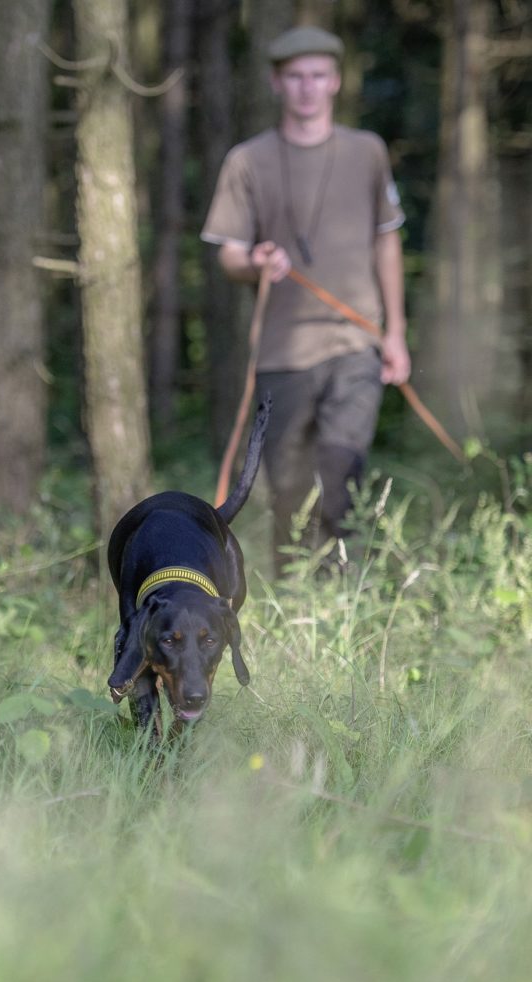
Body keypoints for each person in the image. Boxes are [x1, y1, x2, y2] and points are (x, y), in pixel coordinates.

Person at [201, 25, 411, 575]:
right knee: (288, 490)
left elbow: (387, 239)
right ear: (276, 82)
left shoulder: (367, 151)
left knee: (341, 474)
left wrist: (394, 334)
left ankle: (343, 596)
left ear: (336, 81)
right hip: (282, 353)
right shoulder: (247, 160)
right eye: (295, 77)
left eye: (318, 76)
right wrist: (256, 261)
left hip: (355, 341)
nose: (307, 88)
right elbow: (228, 254)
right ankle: (296, 598)